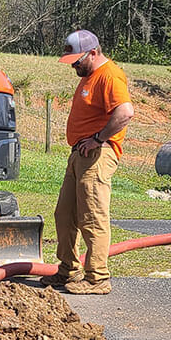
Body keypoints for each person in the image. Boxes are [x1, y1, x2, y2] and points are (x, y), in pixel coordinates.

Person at [42, 29, 134, 295]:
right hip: (80, 154)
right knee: (65, 214)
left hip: (97, 154)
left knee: (92, 216)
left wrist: (98, 138)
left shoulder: (110, 75)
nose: (73, 65)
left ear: (93, 53)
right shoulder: (90, 75)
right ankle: (69, 271)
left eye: (77, 60)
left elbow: (125, 112)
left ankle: (97, 278)